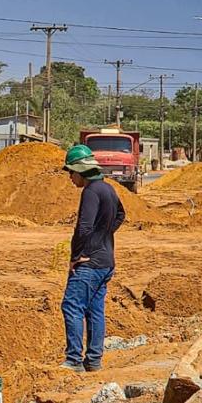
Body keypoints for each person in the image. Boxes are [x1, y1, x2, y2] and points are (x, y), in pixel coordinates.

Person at [60, 144, 125, 373]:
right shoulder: (108, 189)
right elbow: (121, 215)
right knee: (94, 310)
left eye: (71, 172)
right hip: (106, 261)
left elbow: (84, 228)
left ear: (80, 170)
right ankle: (94, 360)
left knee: (71, 306)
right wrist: (104, 235)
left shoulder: (90, 192)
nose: (70, 178)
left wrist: (77, 256)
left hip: (90, 264)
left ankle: (73, 360)